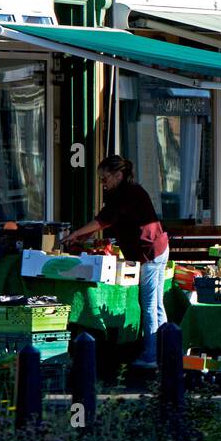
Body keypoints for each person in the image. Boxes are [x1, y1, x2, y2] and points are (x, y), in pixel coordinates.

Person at [65, 156, 170, 369]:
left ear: (118, 175)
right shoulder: (129, 192)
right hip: (156, 248)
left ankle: (152, 355)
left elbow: (104, 219)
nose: (103, 183)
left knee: (149, 304)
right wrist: (85, 235)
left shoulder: (125, 193)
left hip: (148, 252)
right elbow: (112, 220)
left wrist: (77, 233)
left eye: (105, 178)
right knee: (156, 304)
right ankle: (165, 351)